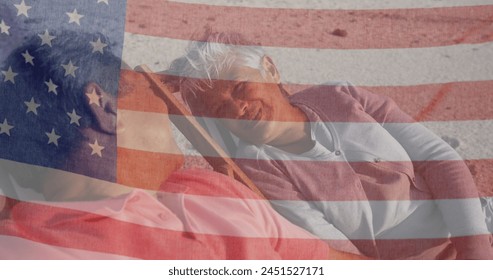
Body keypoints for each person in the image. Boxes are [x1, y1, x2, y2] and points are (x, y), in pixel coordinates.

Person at [0, 30, 331, 259]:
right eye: (152, 88)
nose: (167, 106)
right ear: (105, 109)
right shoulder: (28, 254)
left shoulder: (210, 191)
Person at [171, 31, 493, 259]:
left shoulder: (342, 96)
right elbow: (337, 251)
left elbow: (437, 159)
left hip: (473, 227)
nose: (237, 109)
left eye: (241, 87)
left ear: (269, 70)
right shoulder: (260, 169)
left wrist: (475, 252)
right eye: (219, 109)